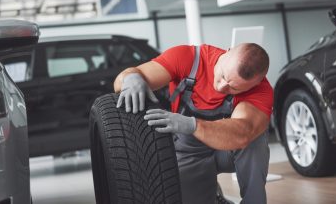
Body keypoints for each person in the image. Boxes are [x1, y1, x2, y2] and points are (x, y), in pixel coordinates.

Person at [114, 43, 273, 204]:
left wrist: (193, 125)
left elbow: (242, 132)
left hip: (225, 149)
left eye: (234, 88)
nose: (222, 86)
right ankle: (213, 195)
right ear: (227, 51)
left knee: (255, 138)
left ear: (255, 83)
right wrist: (131, 78)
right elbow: (124, 79)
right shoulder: (188, 57)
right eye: (224, 76)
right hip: (188, 151)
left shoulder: (261, 90)